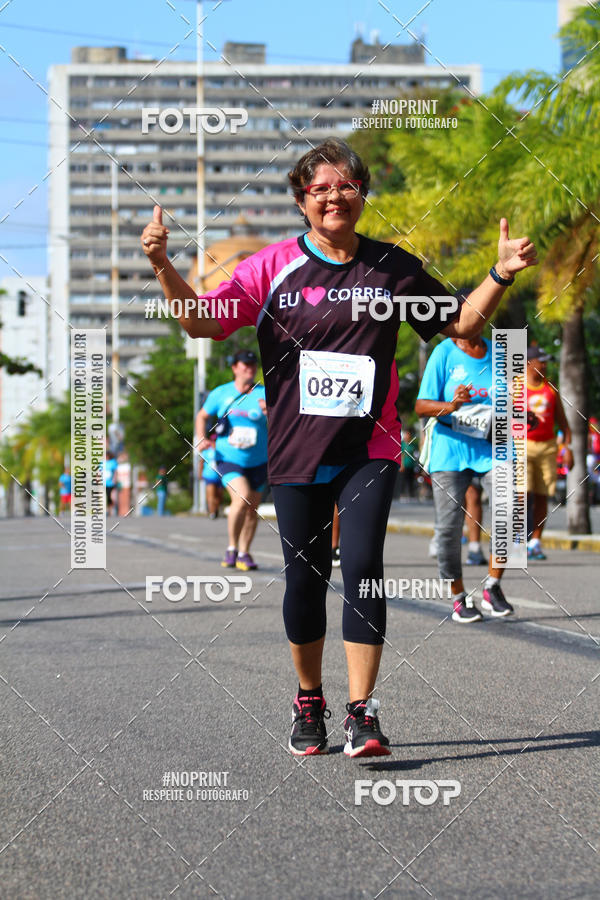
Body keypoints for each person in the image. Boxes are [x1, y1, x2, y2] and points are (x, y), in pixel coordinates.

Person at [141, 137, 537, 756]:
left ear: (362, 196)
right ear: (302, 201)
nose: (333, 197)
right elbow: (199, 320)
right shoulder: (270, 268)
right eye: (320, 189)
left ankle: (362, 712)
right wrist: (164, 266)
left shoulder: (391, 268)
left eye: (346, 186)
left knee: (364, 573)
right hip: (297, 452)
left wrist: (500, 274)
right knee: (304, 580)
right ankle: (309, 699)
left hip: (369, 450)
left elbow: (460, 323)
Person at [415, 326, 514, 623]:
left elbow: (508, 400)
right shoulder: (443, 352)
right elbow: (421, 406)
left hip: (491, 447)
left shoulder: (498, 352)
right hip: (450, 449)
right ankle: (458, 596)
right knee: (448, 527)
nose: (477, 319)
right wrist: (452, 405)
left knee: (509, 512)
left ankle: (493, 586)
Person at [195, 350, 268, 570]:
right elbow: (202, 416)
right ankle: (232, 547)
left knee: (252, 508)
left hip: (258, 459)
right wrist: (201, 438)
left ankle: (244, 552)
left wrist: (270, 412)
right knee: (242, 497)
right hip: (228, 457)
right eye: (245, 365)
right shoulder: (221, 393)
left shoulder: (265, 394)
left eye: (253, 365)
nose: (250, 368)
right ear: (234, 368)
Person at [526, 346, 573, 559]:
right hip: (521, 445)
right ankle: (520, 537)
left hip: (547, 446)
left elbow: (563, 422)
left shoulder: (550, 388)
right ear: (529, 363)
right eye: (540, 361)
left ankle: (535, 542)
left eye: (546, 361)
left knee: (542, 495)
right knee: (522, 494)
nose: (544, 365)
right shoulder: (516, 387)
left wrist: (568, 449)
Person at [197, 432, 224, 519]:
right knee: (211, 495)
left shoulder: (222, 451)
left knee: (219, 496)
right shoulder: (206, 451)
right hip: (209, 475)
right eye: (213, 440)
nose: (214, 442)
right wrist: (200, 473)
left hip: (220, 476)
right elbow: (201, 462)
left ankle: (215, 509)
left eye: (216, 440)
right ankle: (212, 512)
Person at [104, 451, 118, 516]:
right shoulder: (102, 463)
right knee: (105, 497)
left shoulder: (113, 462)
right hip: (104, 483)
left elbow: (115, 472)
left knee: (111, 497)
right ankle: (106, 510)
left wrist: (114, 479)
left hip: (111, 483)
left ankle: (111, 509)